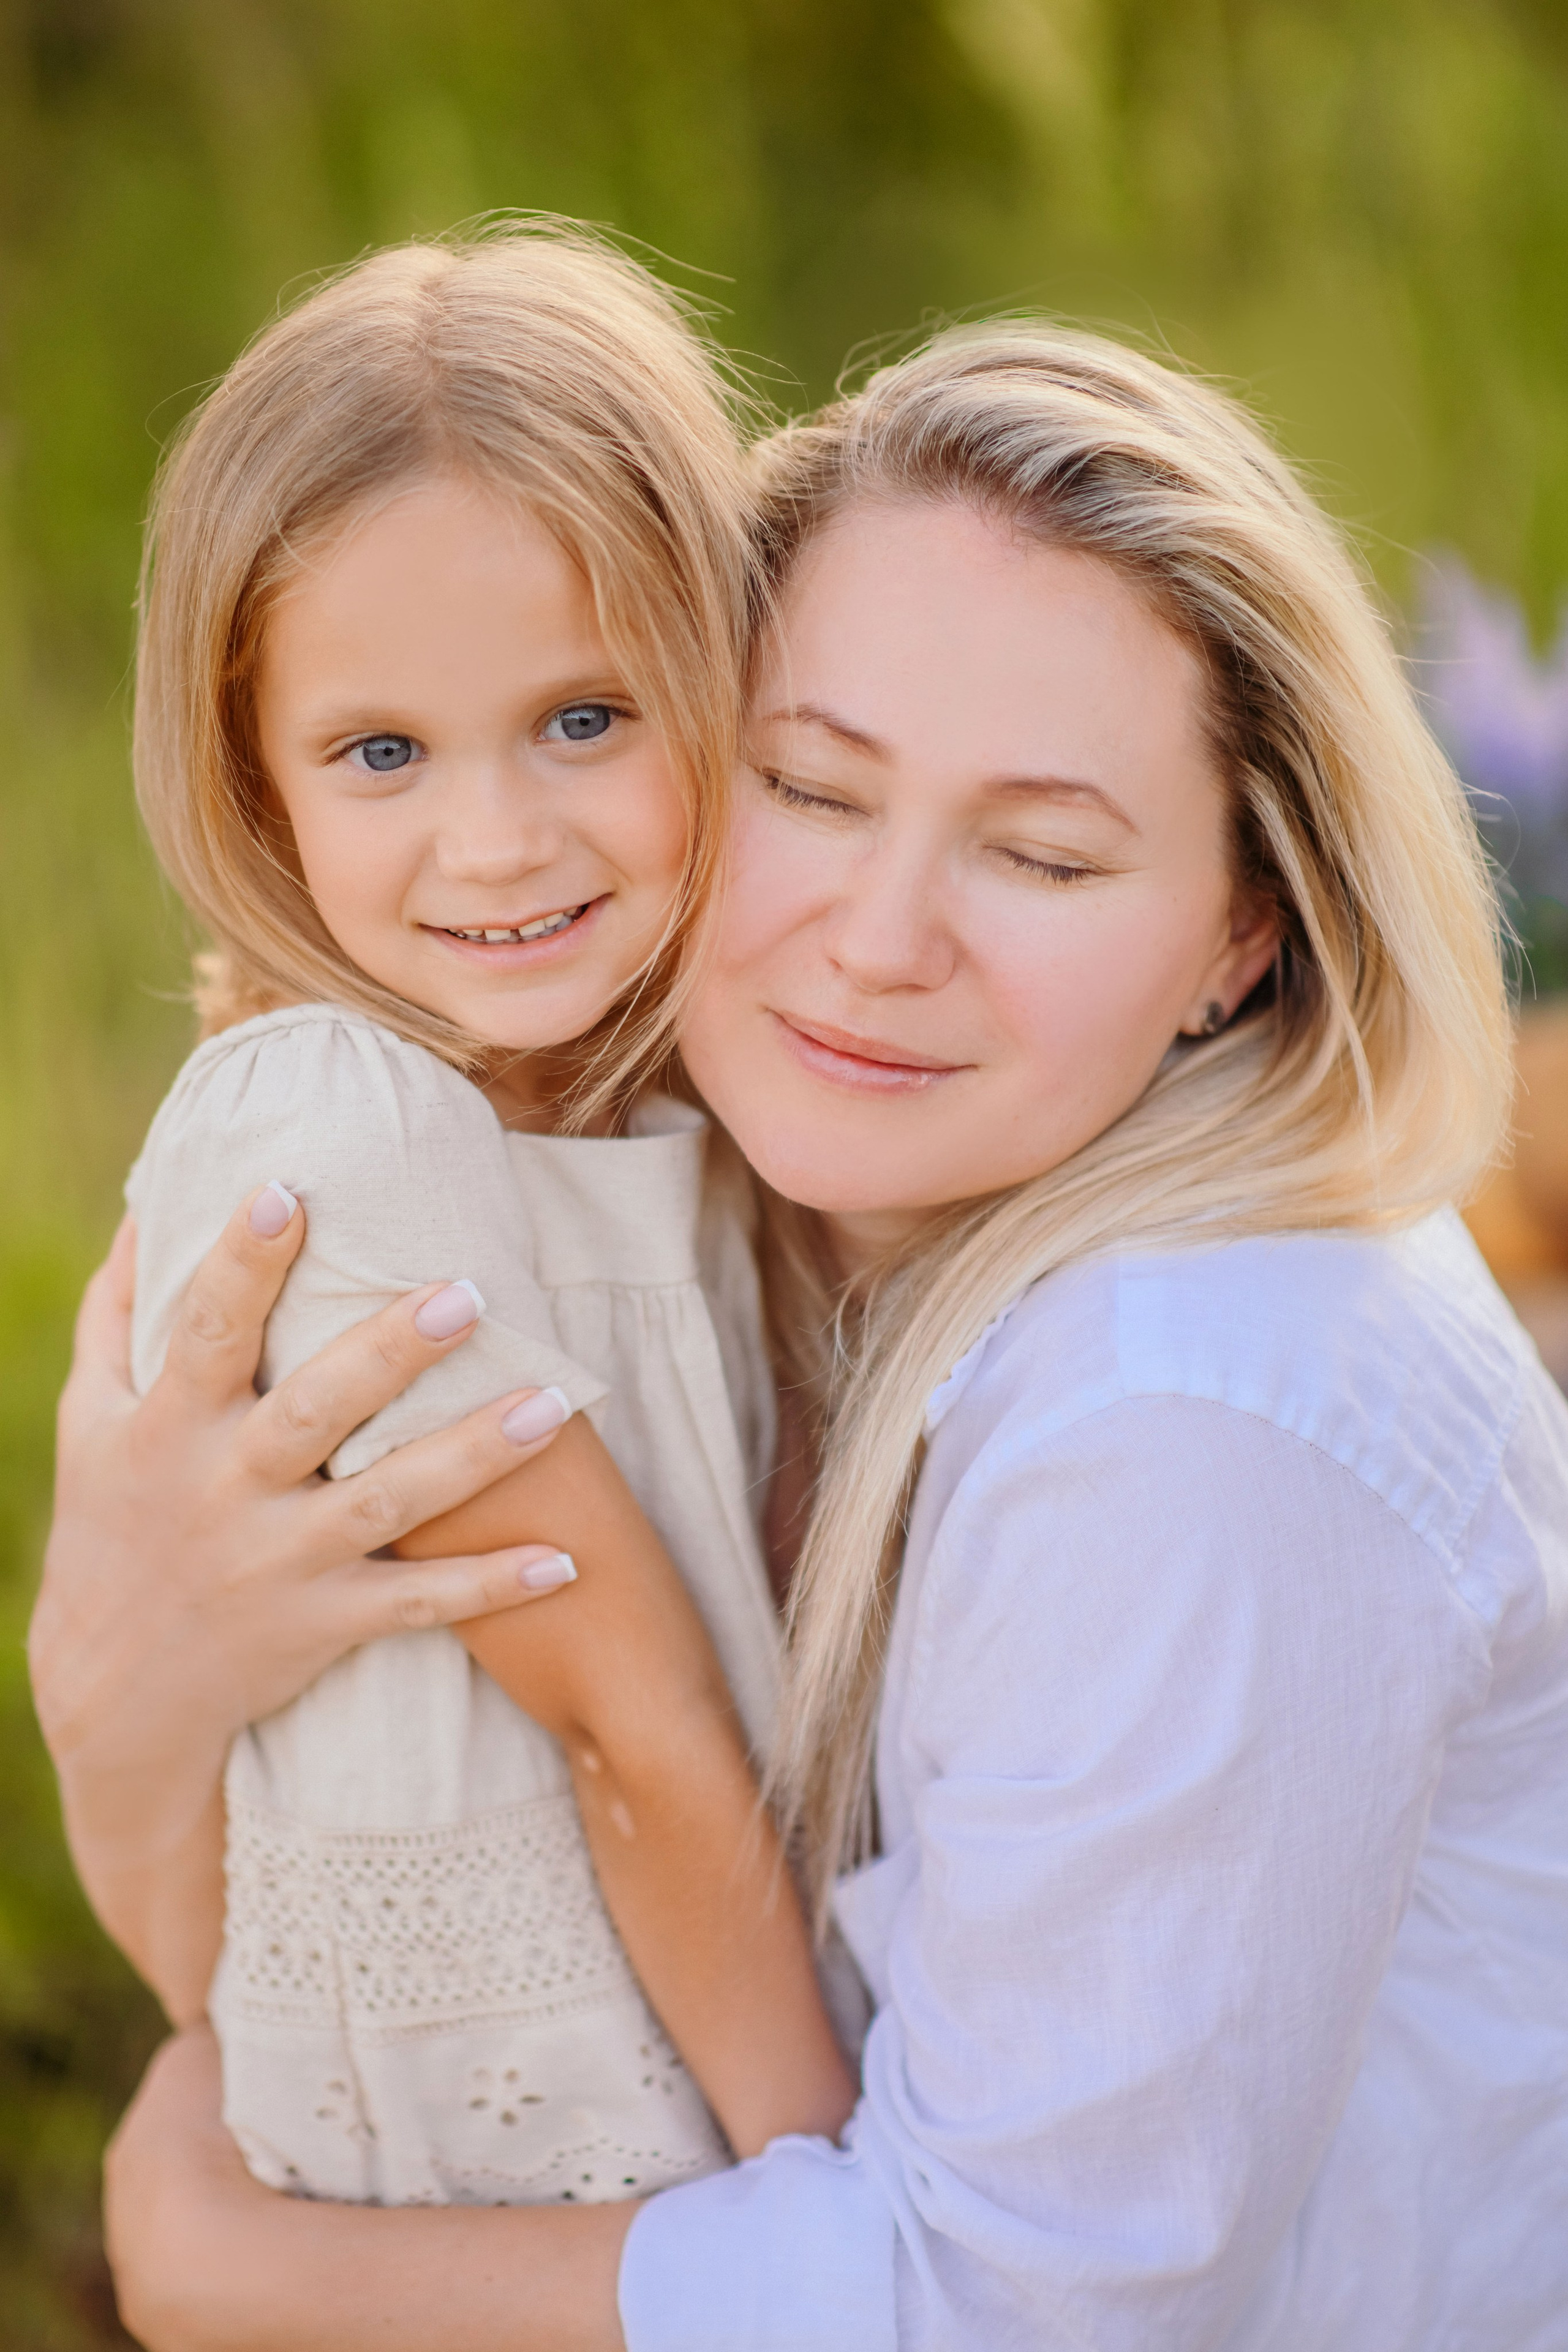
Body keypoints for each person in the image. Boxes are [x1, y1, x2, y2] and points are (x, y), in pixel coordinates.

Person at [33, 323, 1568, 2350]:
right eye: (813, 787)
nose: (878, 939)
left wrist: (246, 2276)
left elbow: (1009, 2310)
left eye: (1041, 854)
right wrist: (137, 1666)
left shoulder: (1200, 1413)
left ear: (1241, 935)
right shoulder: (711, 1202)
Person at [94, 220, 854, 2214]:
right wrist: (839, 2210)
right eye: (382, 754)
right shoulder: (329, 1125)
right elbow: (624, 1718)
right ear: (257, 781)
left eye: (586, 718)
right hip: (527, 2154)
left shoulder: (682, 1115)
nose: (499, 842)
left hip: (683, 2074)